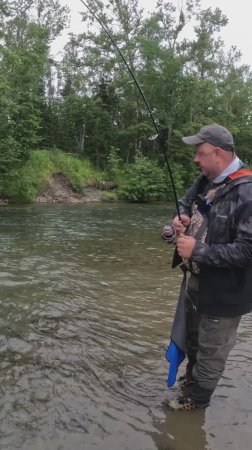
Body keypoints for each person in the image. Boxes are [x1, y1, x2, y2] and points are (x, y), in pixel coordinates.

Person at [165, 123, 252, 410]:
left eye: (200, 154)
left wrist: (198, 250)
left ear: (218, 153)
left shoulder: (247, 192)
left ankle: (195, 406)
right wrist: (179, 223)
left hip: (225, 292)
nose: (196, 159)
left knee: (212, 351)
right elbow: (184, 204)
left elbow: (247, 252)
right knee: (193, 342)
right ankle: (189, 384)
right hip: (194, 284)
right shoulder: (206, 180)